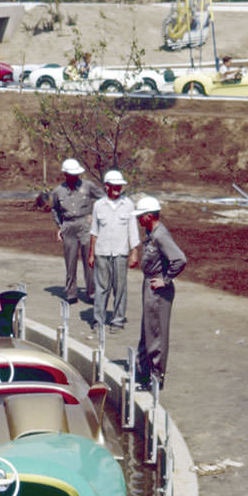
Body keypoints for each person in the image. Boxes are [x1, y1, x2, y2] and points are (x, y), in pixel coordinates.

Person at [131, 195, 185, 391]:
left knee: (156, 333)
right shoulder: (151, 233)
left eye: (140, 216)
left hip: (157, 289)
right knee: (148, 330)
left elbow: (179, 259)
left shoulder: (160, 235)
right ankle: (144, 372)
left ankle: (155, 377)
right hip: (150, 285)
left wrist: (166, 279)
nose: (138, 220)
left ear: (149, 216)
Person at [87, 169, 139, 333]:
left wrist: (134, 252)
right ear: (106, 186)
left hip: (120, 253)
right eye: (114, 186)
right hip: (102, 253)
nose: (117, 189)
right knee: (101, 289)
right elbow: (94, 231)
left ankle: (118, 321)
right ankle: (98, 321)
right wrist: (91, 253)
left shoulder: (128, 204)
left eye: (119, 186)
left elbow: (133, 230)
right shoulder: (98, 205)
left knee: (120, 289)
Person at [50, 157, 103, 304]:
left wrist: (94, 216)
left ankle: (92, 292)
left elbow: (102, 199)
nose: (74, 177)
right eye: (71, 175)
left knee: (89, 260)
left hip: (85, 224)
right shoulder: (58, 191)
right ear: (65, 174)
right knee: (70, 260)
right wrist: (60, 227)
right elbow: (54, 209)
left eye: (76, 175)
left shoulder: (88, 186)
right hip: (68, 225)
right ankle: (71, 293)